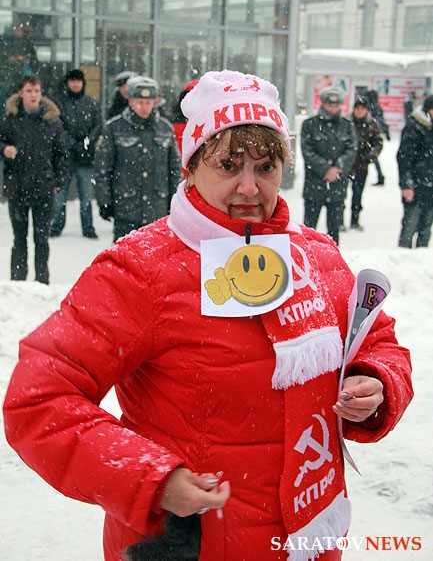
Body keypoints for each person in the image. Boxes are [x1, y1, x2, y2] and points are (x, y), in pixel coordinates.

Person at [3, 70, 413, 561]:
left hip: (312, 537)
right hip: (191, 545)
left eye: (266, 167)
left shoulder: (316, 255)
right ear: (191, 166)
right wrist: (151, 479)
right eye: (228, 165)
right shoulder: (141, 268)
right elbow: (39, 400)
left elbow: (378, 342)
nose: (249, 187)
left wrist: (376, 381)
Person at [94, 75, 181, 241]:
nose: (144, 107)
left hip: (157, 210)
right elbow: (103, 168)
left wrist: (175, 201)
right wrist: (104, 201)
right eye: (139, 102)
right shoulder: (114, 128)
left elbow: (174, 169)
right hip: (126, 209)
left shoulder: (164, 128)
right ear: (130, 101)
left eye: (148, 102)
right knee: (124, 255)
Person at [0, 73, 68, 283]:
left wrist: (58, 181)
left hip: (43, 188)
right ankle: (18, 281)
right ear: (21, 93)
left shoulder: (51, 121)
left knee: (42, 239)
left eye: (37, 91)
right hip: (17, 186)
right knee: (19, 239)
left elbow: (61, 154)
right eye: (29, 91)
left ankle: (42, 281)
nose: (33, 95)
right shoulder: (10, 119)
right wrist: (4, 149)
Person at [50, 69, 102, 239]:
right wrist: (72, 144)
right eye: (72, 81)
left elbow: (97, 126)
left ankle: (88, 227)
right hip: (64, 158)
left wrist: (87, 143)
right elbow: (58, 128)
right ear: (67, 83)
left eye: (78, 81)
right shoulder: (59, 103)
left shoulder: (91, 103)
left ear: (83, 83)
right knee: (60, 196)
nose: (75, 84)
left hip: (86, 159)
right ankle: (56, 225)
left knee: (86, 196)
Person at [301, 87, 357, 245]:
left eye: (336, 105)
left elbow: (352, 150)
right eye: (329, 105)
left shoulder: (347, 126)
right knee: (309, 230)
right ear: (323, 104)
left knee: (334, 230)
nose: (333, 109)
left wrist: (337, 167)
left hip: (337, 184)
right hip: (315, 184)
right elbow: (307, 152)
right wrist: (325, 169)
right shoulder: (310, 125)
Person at [397, 94, 433, 248]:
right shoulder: (414, 126)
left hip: (430, 188)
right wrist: (406, 184)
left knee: (426, 228)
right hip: (416, 185)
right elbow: (404, 158)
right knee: (409, 227)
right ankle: (402, 258)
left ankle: (420, 258)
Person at [347, 96, 383, 231]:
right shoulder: (347, 123)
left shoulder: (371, 124)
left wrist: (371, 156)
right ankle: (338, 220)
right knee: (340, 195)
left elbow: (378, 142)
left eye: (362, 108)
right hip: (345, 165)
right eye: (357, 108)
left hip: (361, 165)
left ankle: (355, 220)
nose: (359, 111)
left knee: (357, 195)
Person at [365, 89, 390, 186]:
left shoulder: (371, 107)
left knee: (371, 156)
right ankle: (380, 176)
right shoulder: (377, 106)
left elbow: (377, 120)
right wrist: (386, 132)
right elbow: (381, 120)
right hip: (374, 133)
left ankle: (380, 176)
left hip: (369, 133)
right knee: (373, 156)